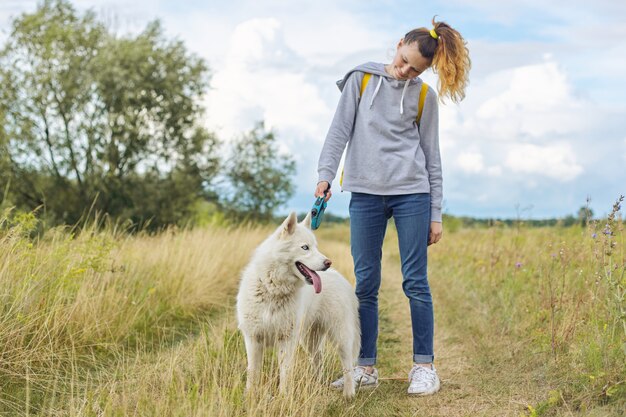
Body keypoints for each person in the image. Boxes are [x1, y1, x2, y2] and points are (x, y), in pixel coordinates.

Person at [315, 17, 470, 396]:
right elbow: (338, 132)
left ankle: (424, 366)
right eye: (402, 61)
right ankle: (365, 367)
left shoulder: (423, 97)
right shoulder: (361, 80)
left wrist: (436, 214)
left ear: (425, 70)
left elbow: (432, 158)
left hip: (412, 194)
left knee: (415, 282)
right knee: (365, 283)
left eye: (414, 69)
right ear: (398, 44)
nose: (404, 71)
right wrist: (324, 175)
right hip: (365, 194)